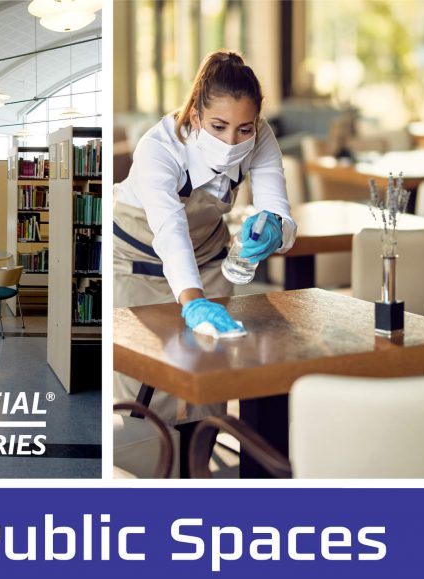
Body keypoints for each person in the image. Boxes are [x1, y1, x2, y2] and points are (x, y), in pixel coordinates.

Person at [112, 50, 296, 468]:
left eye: (243, 129)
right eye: (218, 126)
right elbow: (169, 230)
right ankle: (156, 479)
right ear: (195, 115)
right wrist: (191, 300)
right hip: (137, 261)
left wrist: (274, 230)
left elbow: (277, 208)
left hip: (210, 259)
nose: (232, 141)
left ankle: (197, 471)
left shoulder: (260, 137)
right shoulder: (159, 149)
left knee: (213, 376)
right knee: (152, 388)